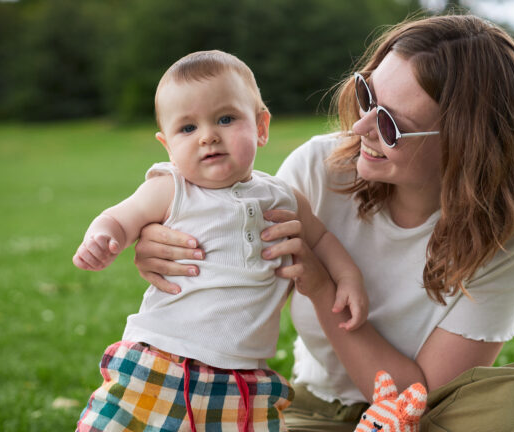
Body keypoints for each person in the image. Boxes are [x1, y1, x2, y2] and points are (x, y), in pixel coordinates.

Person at [134, 15, 514, 432]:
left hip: (422, 416)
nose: (361, 127)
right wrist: (161, 239)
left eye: (392, 124)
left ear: (465, 144)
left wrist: (321, 283)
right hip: (313, 409)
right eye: (367, 96)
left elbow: (416, 397)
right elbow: (218, 242)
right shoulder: (317, 169)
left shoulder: (513, 230)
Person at [73, 50, 366, 432]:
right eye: (188, 128)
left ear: (261, 126)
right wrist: (103, 237)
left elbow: (322, 239)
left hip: (242, 379)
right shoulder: (171, 188)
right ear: (168, 146)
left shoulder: (283, 196)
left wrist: (348, 277)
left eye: (226, 119)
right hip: (164, 361)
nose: (208, 135)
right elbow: (119, 217)